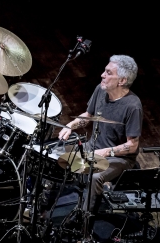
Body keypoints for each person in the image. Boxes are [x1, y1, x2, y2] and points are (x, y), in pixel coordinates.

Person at [58, 55, 143, 211]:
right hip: (93, 147)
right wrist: (70, 125)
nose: (102, 75)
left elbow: (132, 145)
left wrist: (106, 152)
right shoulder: (100, 90)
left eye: (108, 73)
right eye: (105, 71)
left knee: (95, 177)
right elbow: (88, 115)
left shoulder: (133, 106)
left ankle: (85, 217)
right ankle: (47, 203)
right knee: (57, 154)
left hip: (119, 158)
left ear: (122, 80)